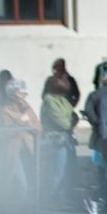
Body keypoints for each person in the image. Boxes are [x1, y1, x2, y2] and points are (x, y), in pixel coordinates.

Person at [38, 73, 78, 206]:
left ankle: (61, 197)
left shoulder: (62, 98)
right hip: (55, 141)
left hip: (66, 139)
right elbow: (63, 122)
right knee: (57, 171)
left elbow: (73, 114)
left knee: (68, 170)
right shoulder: (49, 100)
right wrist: (71, 121)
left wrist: (72, 120)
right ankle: (48, 199)